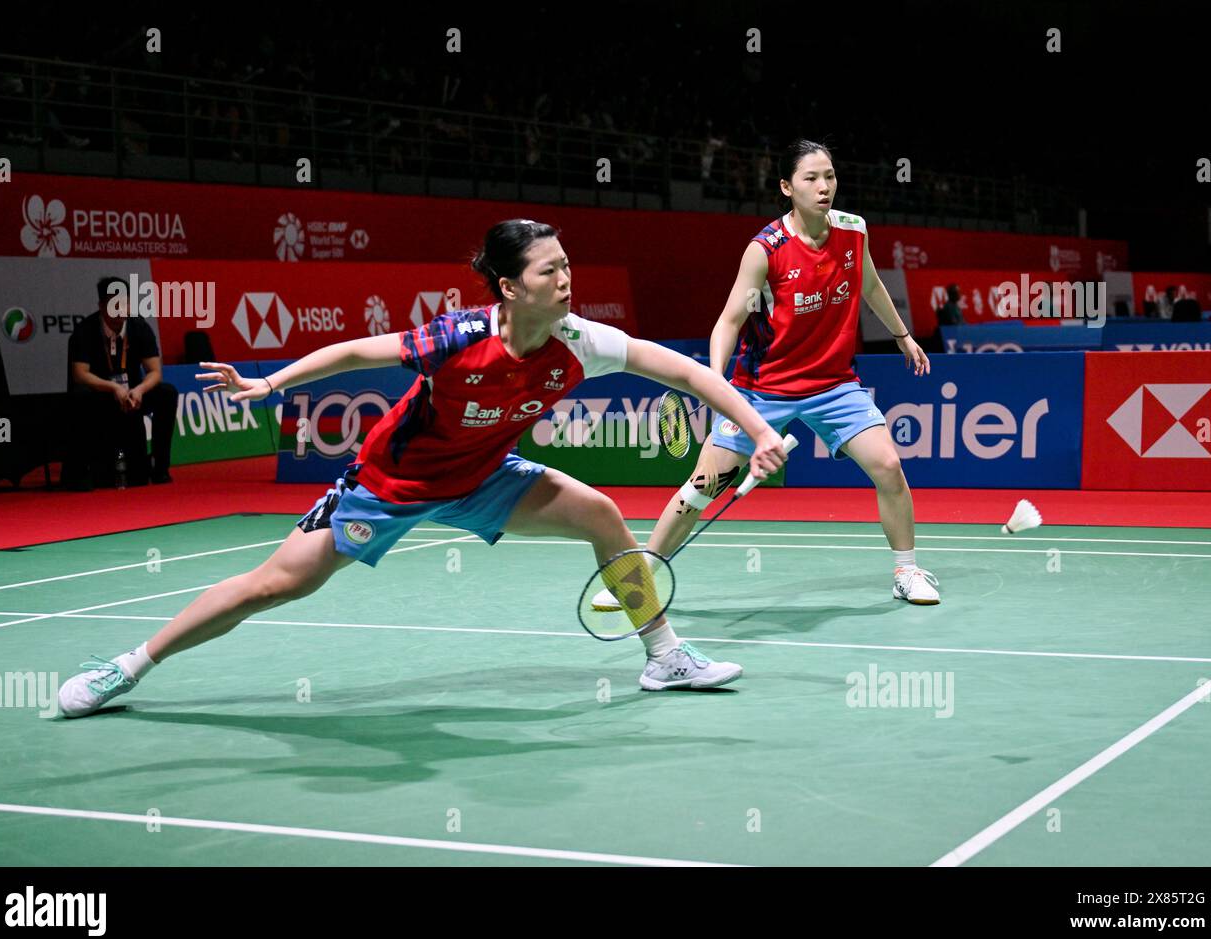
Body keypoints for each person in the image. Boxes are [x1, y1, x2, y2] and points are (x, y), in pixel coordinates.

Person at [57, 220, 787, 718]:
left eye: (567, 265)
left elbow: (690, 377)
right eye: (549, 269)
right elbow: (353, 352)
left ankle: (663, 656)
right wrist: (270, 385)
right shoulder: (457, 337)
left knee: (599, 512)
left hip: (484, 478)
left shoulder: (582, 341)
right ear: (509, 286)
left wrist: (755, 429)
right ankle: (128, 666)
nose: (566, 278)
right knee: (272, 585)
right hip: (388, 488)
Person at [594, 139, 941, 612]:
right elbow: (730, 320)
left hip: (834, 385)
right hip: (762, 390)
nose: (824, 187)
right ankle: (637, 576)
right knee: (701, 489)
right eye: (811, 179)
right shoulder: (765, 250)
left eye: (830, 176)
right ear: (786, 187)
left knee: (888, 467)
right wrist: (714, 380)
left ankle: (906, 570)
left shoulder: (853, 230)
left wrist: (902, 336)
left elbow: (870, 283)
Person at [61, 277, 178, 489]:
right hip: (101, 394)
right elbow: (80, 374)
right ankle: (83, 469)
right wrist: (113, 387)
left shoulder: (139, 327)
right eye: (115, 304)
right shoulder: (85, 330)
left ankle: (160, 468)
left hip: (134, 394)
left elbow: (154, 372)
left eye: (125, 303)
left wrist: (140, 390)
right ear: (102, 306)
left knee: (167, 393)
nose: (121, 309)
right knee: (80, 397)